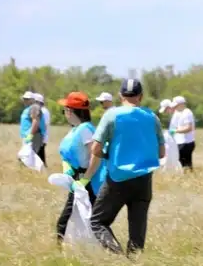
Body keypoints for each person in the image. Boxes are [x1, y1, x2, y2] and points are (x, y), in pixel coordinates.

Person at [86, 78, 165, 256]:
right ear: (141, 96)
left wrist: (109, 154)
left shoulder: (112, 115)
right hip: (144, 180)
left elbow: (96, 148)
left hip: (118, 179)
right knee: (137, 231)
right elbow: (161, 153)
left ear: (120, 95)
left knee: (98, 222)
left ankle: (117, 256)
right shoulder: (152, 117)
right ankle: (134, 265)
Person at [55, 92, 105, 245]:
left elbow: (96, 155)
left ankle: (107, 249)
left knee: (88, 221)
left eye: (65, 110)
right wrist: (67, 166)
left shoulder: (85, 129)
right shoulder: (76, 129)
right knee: (73, 220)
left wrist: (85, 179)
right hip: (77, 181)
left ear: (70, 111)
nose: (65, 114)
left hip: (87, 183)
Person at [19, 90, 47, 165]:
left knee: (26, 158)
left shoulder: (34, 107)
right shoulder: (29, 109)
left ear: (32, 100)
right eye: (24, 99)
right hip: (29, 136)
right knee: (27, 158)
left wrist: (30, 135)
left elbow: (35, 121)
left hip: (34, 136)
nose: (25, 101)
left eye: (27, 99)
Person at [169, 96, 196, 171]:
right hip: (182, 142)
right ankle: (188, 177)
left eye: (176, 105)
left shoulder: (187, 113)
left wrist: (175, 131)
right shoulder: (180, 113)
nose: (175, 107)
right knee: (184, 164)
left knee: (183, 164)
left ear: (181, 104)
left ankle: (187, 177)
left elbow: (188, 128)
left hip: (186, 143)